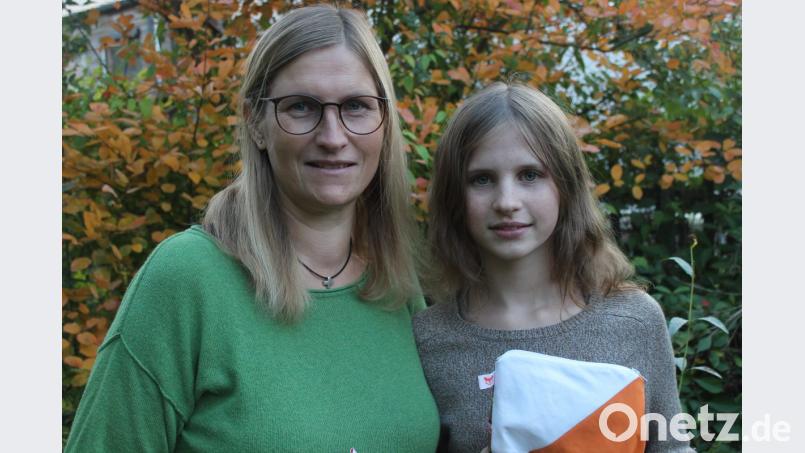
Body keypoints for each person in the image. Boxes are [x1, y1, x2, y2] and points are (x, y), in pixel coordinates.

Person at [65, 5, 440, 452]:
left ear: (384, 122)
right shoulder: (187, 280)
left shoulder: (395, 286)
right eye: (301, 107)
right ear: (255, 122)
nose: (333, 136)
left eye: (356, 106)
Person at [413, 82, 693, 452]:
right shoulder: (429, 340)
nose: (506, 201)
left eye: (530, 175)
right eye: (482, 179)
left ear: (566, 185)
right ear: (454, 196)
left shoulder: (634, 321)